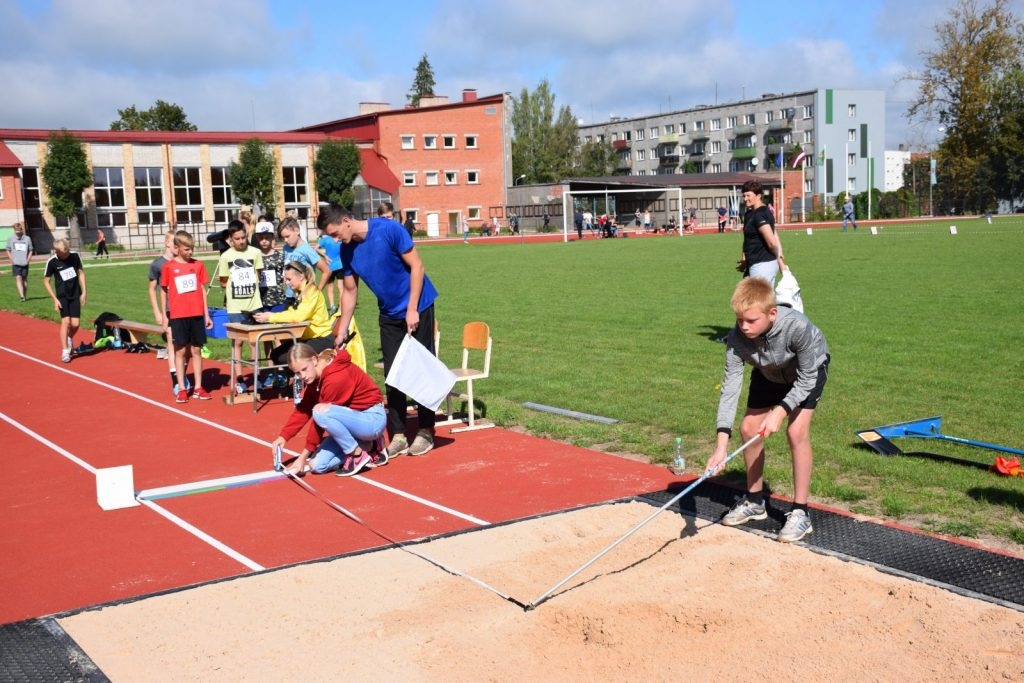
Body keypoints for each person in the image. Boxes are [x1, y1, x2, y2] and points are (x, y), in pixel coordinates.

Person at [704, 277, 830, 543]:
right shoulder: (737, 339)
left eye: (751, 321)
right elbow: (729, 390)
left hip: (806, 372)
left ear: (772, 313)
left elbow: (808, 376)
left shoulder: (797, 326)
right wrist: (720, 446)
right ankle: (754, 501)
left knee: (796, 432)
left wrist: (781, 410)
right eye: (740, 320)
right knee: (749, 428)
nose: (744, 327)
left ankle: (800, 512)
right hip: (768, 372)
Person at [317, 202, 440, 458]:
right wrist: (342, 326)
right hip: (388, 314)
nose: (333, 239)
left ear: (347, 221)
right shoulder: (347, 251)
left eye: (334, 232)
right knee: (392, 374)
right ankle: (398, 435)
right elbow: (350, 291)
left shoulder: (389, 230)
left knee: (420, 368)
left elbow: (417, 267)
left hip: (418, 305)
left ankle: (426, 430)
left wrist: (412, 309)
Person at [271, 343, 387, 477]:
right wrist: (283, 437)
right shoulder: (314, 378)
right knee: (317, 466)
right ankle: (369, 446)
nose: (302, 376)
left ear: (314, 360)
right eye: (297, 372)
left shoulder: (335, 378)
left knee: (320, 411)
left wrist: (303, 457)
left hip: (372, 420)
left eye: (304, 369)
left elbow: (319, 421)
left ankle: (357, 453)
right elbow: (303, 408)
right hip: (353, 422)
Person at [160, 231, 213, 403]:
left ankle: (198, 387)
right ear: (176, 248)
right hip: (178, 315)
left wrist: (206, 314)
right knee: (181, 351)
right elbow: (163, 291)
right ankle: (182, 388)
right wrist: (164, 315)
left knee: (196, 350)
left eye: (192, 249)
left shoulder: (198, 265)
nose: (190, 252)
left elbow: (203, 291)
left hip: (196, 314)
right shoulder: (168, 267)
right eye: (187, 249)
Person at [253, 261, 336, 369]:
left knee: (285, 357)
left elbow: (299, 316)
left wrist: (271, 317)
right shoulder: (299, 293)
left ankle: (299, 377)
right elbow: (292, 312)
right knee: (276, 354)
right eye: (285, 279)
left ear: (301, 276)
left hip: (321, 338)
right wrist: (271, 316)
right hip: (306, 338)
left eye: (289, 279)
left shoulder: (311, 292)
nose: (287, 283)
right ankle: (293, 378)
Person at [215, 220, 264, 363]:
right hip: (235, 306)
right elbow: (224, 283)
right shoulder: (226, 257)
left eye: (243, 238)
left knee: (254, 341)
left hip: (254, 304)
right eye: (237, 239)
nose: (241, 241)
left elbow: (259, 276)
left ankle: (257, 376)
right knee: (237, 342)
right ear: (231, 239)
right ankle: (240, 378)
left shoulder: (255, 253)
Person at [148, 230, 188, 391]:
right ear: (167, 243)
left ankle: (182, 374)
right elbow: (152, 289)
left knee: (187, 348)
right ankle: (176, 381)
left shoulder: (184, 262)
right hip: (169, 310)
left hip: (185, 310)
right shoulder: (158, 265)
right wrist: (158, 312)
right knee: (173, 344)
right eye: (174, 243)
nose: (176, 247)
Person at [42, 237, 87, 363]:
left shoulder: (75, 257)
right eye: (63, 253)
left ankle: (69, 338)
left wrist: (84, 292)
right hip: (62, 296)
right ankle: (65, 351)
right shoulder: (52, 262)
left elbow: (81, 273)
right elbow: (46, 281)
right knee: (66, 321)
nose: (66, 255)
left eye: (67, 252)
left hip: (75, 294)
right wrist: (54, 299)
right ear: (57, 251)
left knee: (76, 324)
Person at [736, 179, 784, 284]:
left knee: (759, 300)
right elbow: (748, 239)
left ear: (758, 196)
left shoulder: (760, 214)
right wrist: (745, 260)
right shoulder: (749, 214)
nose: (745, 199)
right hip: (753, 263)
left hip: (762, 265)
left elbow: (772, 241)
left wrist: (781, 262)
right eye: (744, 196)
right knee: (747, 298)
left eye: (748, 195)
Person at [278, 215, 330, 304]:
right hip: (290, 296)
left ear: (297, 231)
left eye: (287, 236)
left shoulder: (307, 250)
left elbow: (327, 271)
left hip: (305, 297)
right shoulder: (286, 248)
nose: (285, 240)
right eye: (283, 238)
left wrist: (317, 291)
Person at [254, 222, 286, 312]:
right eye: (261, 238)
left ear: (272, 237)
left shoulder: (280, 257)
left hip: (278, 300)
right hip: (260, 301)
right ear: (257, 238)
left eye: (267, 238)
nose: (264, 241)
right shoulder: (254, 257)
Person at [316, 224, 343, 314]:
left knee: (331, 286)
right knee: (340, 287)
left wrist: (325, 256)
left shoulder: (326, 239)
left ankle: (333, 306)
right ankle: (340, 307)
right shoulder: (340, 238)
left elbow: (316, 248)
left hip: (332, 266)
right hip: (338, 266)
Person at [6, 221, 32, 302]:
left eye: (19, 231)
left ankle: (24, 295)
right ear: (14, 231)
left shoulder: (27, 238)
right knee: (18, 278)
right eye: (16, 231)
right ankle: (22, 297)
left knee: (24, 279)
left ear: (21, 230)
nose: (17, 233)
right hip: (16, 263)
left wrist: (28, 260)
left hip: (24, 263)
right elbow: (8, 249)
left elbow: (31, 250)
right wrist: (11, 259)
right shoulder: (10, 239)